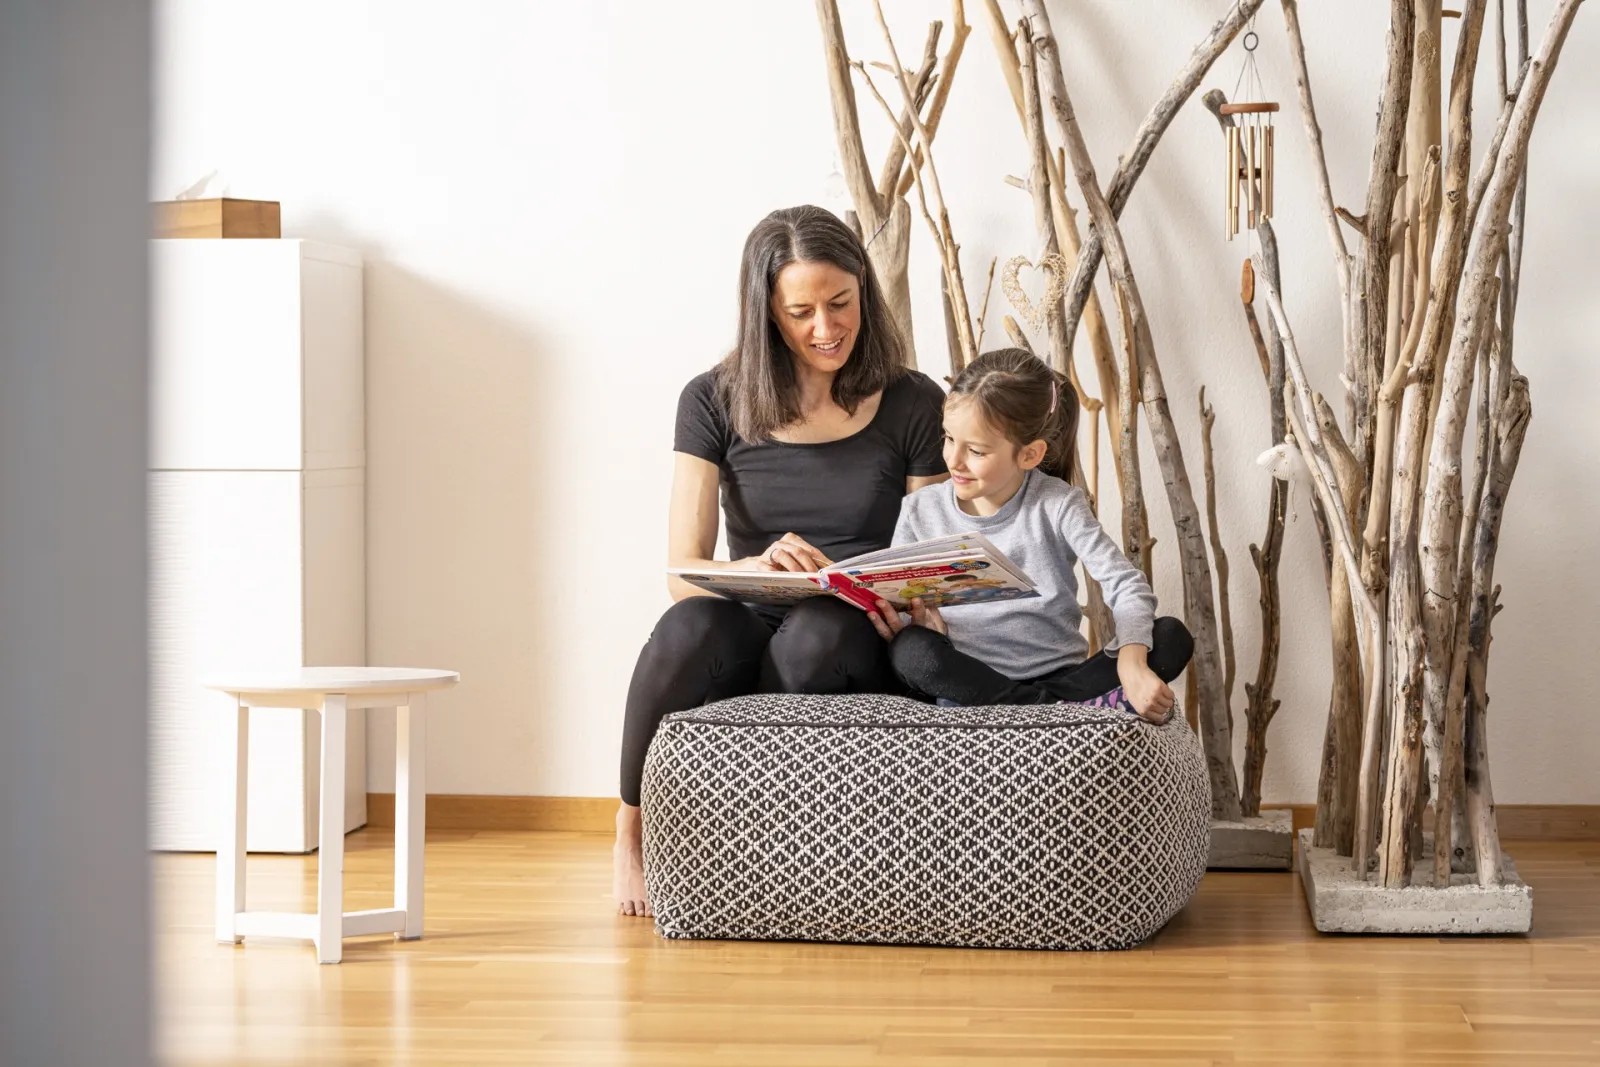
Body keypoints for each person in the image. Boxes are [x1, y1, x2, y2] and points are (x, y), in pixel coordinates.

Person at [614, 205, 949, 916]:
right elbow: (681, 570)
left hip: (857, 626)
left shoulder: (914, 401)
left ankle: (779, 842)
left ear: (865, 291)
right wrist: (764, 567)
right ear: (766, 312)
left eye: (841, 304)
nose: (826, 328)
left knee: (816, 634)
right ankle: (632, 833)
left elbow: (931, 551)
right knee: (688, 629)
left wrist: (916, 600)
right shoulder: (711, 399)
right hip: (750, 611)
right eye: (801, 311)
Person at [867, 348, 1194, 720]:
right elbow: (904, 608)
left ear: (1029, 455)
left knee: (1170, 636)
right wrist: (914, 623)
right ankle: (1062, 716)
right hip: (972, 677)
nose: (953, 460)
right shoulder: (920, 510)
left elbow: (1126, 585)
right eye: (948, 439)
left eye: (974, 450)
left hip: (1060, 677)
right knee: (911, 650)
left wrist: (1132, 666)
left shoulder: (1058, 504)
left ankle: (1032, 711)